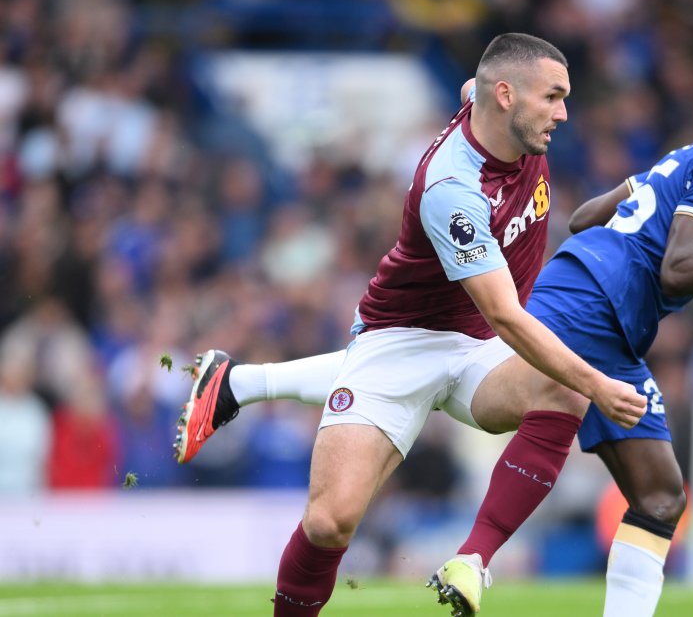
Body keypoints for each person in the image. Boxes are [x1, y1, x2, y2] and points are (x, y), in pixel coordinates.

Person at [177, 57, 693, 617]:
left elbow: (581, 215)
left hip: (585, 300)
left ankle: (239, 382)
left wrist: (638, 205)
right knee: (560, 397)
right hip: (589, 308)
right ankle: (475, 559)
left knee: (660, 496)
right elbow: (679, 265)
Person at [174, 32, 648, 616]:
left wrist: (585, 385)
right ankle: (241, 384)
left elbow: (471, 84)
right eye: (553, 97)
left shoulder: (502, 113)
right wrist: (601, 386)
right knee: (330, 522)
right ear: (507, 96)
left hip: (474, 345)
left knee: (563, 385)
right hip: (404, 338)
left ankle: (472, 560)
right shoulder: (453, 188)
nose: (563, 113)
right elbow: (505, 315)